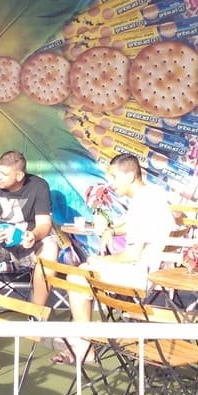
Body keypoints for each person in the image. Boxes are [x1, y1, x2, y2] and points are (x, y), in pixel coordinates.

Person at [55, 154, 176, 364]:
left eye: (114, 177)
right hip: (155, 271)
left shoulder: (143, 203)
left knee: (77, 277)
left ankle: (84, 346)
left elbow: (131, 255)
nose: (111, 183)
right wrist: (111, 230)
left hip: (142, 274)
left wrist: (101, 261)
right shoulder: (151, 195)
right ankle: (82, 340)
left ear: (130, 176)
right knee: (84, 269)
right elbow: (129, 225)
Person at [0, 150, 59, 310]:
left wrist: (34, 235)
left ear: (19, 176)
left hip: (28, 244)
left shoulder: (39, 186)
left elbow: (45, 224)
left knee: (51, 248)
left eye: (4, 174)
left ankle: (37, 314)